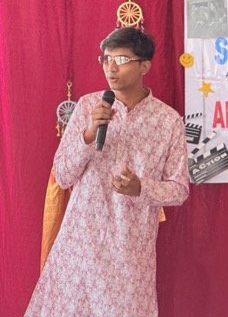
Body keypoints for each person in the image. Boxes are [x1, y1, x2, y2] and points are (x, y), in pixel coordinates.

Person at [26, 27, 189, 316]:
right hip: (78, 249)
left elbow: (179, 189)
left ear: (144, 66)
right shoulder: (88, 107)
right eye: (106, 58)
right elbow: (62, 175)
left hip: (128, 254)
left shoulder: (168, 121)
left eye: (122, 59)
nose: (111, 68)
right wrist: (88, 135)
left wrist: (141, 188)